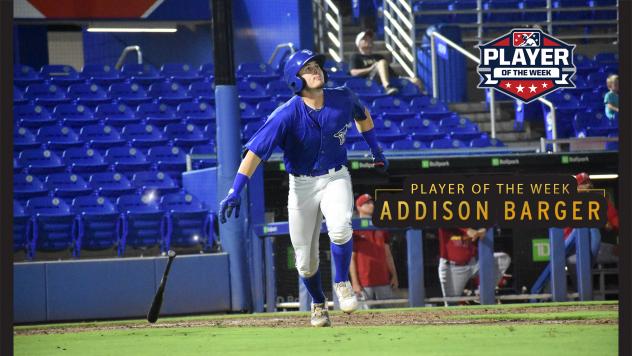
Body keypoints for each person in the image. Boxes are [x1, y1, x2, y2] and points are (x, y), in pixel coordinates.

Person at [219, 49, 389, 327]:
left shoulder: (342, 96)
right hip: (301, 185)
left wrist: (375, 148)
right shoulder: (285, 114)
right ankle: (318, 305)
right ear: (295, 79)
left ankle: (342, 282)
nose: (316, 71)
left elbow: (363, 115)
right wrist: (235, 190)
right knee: (304, 261)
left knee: (341, 226)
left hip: (336, 176)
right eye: (308, 69)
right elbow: (255, 153)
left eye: (317, 67)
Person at [437, 227, 511, 306]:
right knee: (451, 306)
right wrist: (467, 230)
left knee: (503, 258)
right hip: (452, 268)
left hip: (473, 264)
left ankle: (482, 293)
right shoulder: (446, 222)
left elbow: (492, 221)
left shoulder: (472, 220)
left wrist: (485, 229)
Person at [349, 194, 398, 309]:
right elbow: (351, 258)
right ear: (359, 207)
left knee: (389, 317)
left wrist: (394, 275)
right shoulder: (354, 229)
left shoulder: (381, 226)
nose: (372, 205)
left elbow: (388, 254)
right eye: (367, 203)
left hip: (384, 280)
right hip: (364, 283)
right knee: (365, 319)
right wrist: (355, 283)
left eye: (372, 202)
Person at [350, 30, 424, 95]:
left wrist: (405, 79)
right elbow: (353, 72)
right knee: (382, 62)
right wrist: (371, 68)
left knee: (416, 80)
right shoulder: (356, 57)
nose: (369, 40)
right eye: (365, 39)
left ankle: (423, 99)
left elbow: (391, 72)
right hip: (370, 80)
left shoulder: (379, 56)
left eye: (370, 38)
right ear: (358, 44)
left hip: (388, 78)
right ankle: (387, 87)